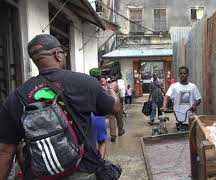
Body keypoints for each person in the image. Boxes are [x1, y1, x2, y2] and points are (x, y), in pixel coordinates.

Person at [0, 34, 121, 179]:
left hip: (39, 175)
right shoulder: (85, 83)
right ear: (58, 55)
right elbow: (115, 108)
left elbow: (5, 152)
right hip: (83, 171)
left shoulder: (16, 97)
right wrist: (112, 90)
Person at [89, 68, 108, 159]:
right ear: (100, 77)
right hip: (99, 117)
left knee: (89, 142)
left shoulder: (84, 86)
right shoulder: (101, 88)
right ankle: (100, 164)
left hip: (87, 116)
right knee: (101, 142)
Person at [107, 75, 125, 142]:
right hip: (117, 104)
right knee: (119, 118)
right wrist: (122, 104)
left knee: (111, 119)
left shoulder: (108, 86)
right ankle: (120, 131)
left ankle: (113, 135)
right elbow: (122, 95)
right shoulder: (119, 85)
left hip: (109, 105)